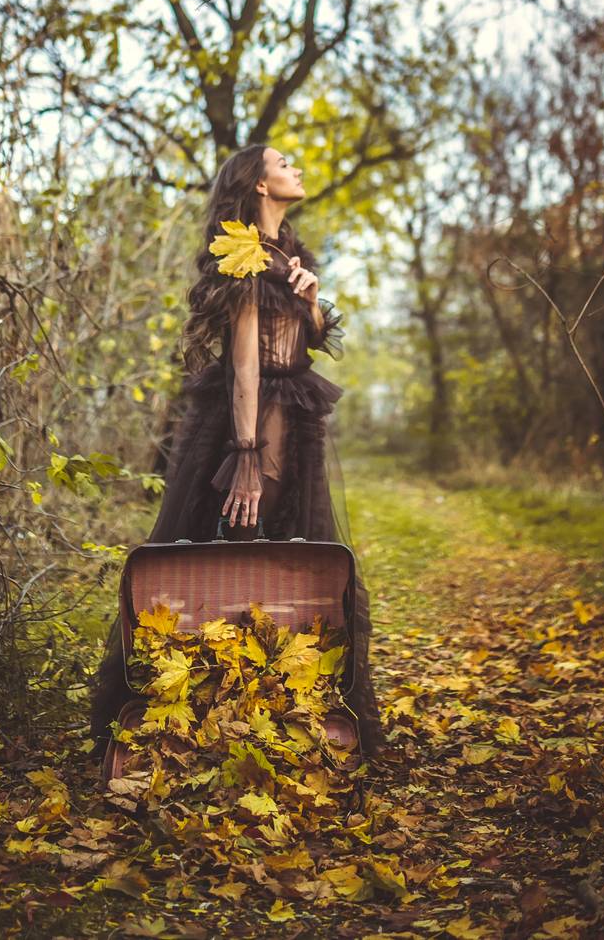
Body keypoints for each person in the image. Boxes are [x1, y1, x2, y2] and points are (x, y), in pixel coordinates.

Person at [88, 144, 386, 760]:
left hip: (294, 419)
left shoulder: (289, 254)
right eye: (284, 162)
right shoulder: (244, 258)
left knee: (291, 551)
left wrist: (310, 299)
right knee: (242, 543)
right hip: (259, 420)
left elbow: (313, 341)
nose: (298, 166)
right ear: (257, 185)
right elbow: (246, 366)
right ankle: (216, 711)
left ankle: (277, 708)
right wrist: (248, 456)